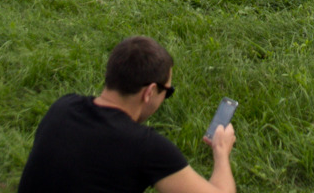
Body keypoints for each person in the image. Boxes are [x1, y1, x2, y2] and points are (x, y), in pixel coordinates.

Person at [16, 35, 237, 193]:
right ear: (150, 92)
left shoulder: (62, 107)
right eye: (167, 91)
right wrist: (221, 151)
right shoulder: (145, 147)